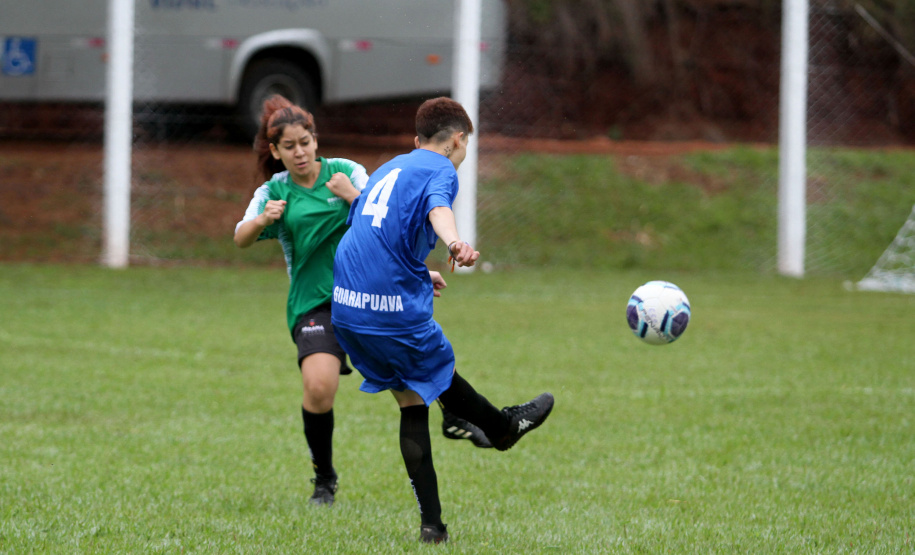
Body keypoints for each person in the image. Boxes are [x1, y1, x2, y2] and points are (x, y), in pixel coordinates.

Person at [233, 95, 488, 508]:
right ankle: (324, 478)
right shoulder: (274, 191)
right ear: (275, 152)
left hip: (370, 294)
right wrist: (264, 219)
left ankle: (455, 415)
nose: (299, 152)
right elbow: (240, 237)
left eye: (305, 142)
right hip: (317, 304)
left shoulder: (346, 172)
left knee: (412, 362)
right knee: (319, 387)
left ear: (316, 140)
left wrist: (352, 194)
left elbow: (387, 221)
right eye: (289, 146)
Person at [331, 96, 555, 543]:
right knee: (439, 374)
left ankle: (432, 527)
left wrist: (418, 271)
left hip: (346, 303)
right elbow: (438, 209)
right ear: (458, 139)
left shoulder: (391, 166)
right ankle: (501, 428)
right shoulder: (441, 169)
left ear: (418, 140)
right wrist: (453, 243)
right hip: (387, 306)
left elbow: (369, 225)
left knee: (411, 398)